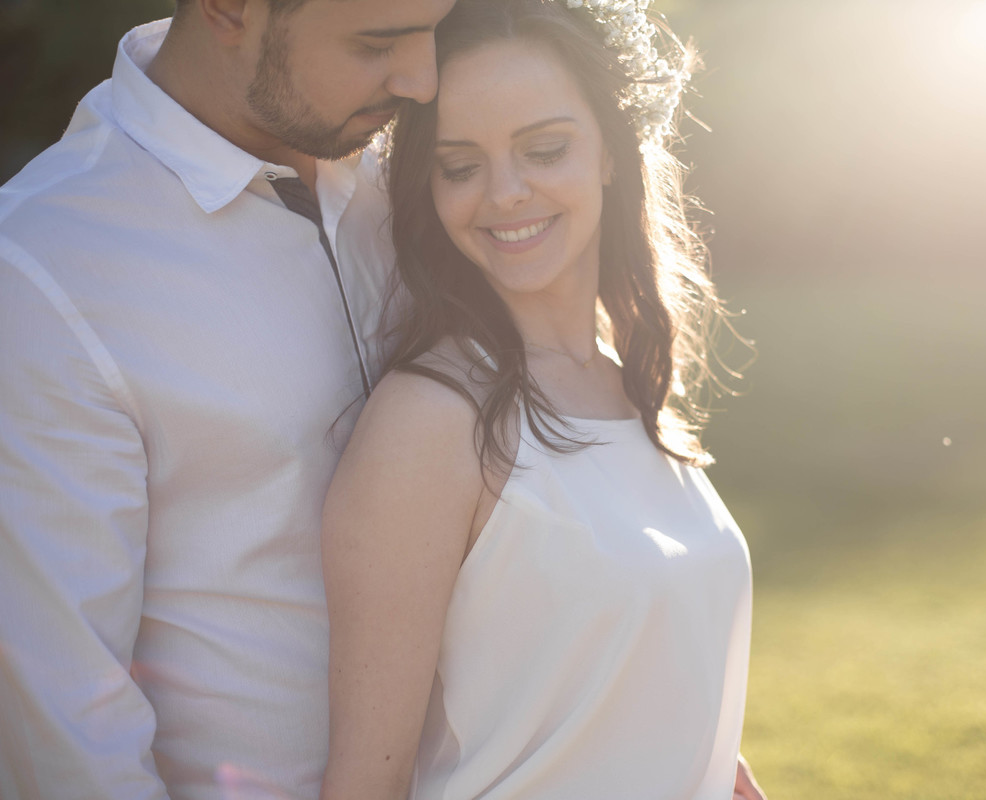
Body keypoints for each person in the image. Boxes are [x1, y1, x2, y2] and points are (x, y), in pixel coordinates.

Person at [0, 0, 455, 797]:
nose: (423, 79)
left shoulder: (431, 180)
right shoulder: (41, 270)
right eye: (377, 42)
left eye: (436, 30)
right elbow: (66, 727)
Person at [319, 1, 765, 798]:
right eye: (460, 165)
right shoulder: (431, 421)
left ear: (608, 152)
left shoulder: (625, 383)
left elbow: (628, 684)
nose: (506, 194)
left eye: (545, 149)